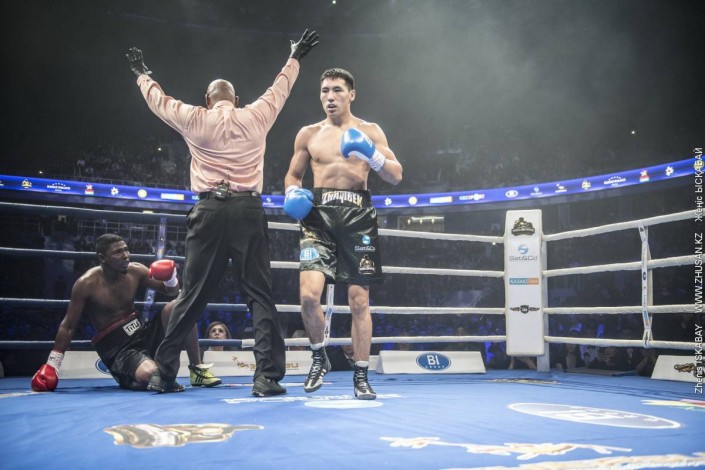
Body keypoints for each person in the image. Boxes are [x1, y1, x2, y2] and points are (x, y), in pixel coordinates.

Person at [125, 29, 319, 396]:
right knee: (259, 295)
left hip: (209, 211)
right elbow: (280, 87)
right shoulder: (256, 115)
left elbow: (158, 101)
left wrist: (141, 74)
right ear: (236, 99)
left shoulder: (194, 117)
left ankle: (163, 374)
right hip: (247, 210)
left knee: (191, 295)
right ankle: (266, 378)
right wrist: (295, 57)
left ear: (208, 100)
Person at [283, 68, 403, 399]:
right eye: (324, 90)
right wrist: (292, 193)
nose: (330, 96)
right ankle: (318, 356)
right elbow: (293, 176)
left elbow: (395, 175)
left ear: (351, 94)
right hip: (318, 218)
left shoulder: (370, 130)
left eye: (337, 90)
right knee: (309, 296)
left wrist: (371, 154)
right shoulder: (308, 134)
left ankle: (361, 375)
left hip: (357, 217)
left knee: (359, 300)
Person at [31, 234, 221, 392]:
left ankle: (197, 370)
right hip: (120, 350)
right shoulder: (86, 284)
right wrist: (53, 364)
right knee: (152, 375)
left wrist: (171, 277)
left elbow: (171, 292)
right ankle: (133, 377)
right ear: (102, 257)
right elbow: (69, 326)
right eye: (118, 252)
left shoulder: (135, 271)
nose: (125, 256)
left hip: (142, 335)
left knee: (181, 308)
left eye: (126, 250)